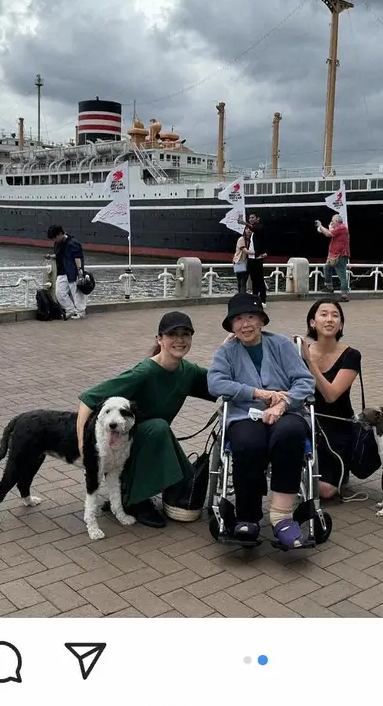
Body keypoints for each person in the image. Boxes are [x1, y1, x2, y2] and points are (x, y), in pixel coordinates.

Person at [76, 311, 216, 528]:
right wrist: (83, 444)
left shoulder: (188, 371)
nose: (180, 340)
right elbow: (88, 400)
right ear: (160, 339)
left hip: (151, 441)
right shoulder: (145, 371)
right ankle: (135, 501)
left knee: (178, 461)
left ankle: (133, 491)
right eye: (173, 334)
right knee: (159, 428)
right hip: (125, 443)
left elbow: (220, 385)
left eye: (185, 334)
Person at [207, 293, 315, 548]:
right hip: (245, 414)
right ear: (232, 325)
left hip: (287, 412)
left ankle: (282, 517)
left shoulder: (280, 344)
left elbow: (304, 381)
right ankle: (247, 516)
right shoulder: (227, 351)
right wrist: (257, 393)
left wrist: (282, 404)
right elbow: (215, 383)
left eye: (251, 317)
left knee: (290, 434)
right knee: (247, 442)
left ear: (262, 321)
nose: (245, 324)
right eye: (239, 319)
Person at [298, 299, 360, 499]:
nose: (329, 319)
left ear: (341, 324)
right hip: (307, 421)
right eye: (323, 314)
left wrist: (309, 361)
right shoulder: (298, 352)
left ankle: (340, 468)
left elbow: (331, 395)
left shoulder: (351, 355)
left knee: (325, 490)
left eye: (335, 315)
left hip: (337, 425)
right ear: (312, 322)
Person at [47, 225, 87, 319]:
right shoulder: (57, 244)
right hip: (62, 271)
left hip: (73, 271)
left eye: (55, 238)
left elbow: (77, 257)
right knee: (60, 292)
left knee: (76, 292)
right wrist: (53, 256)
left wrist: (80, 270)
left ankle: (81, 311)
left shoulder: (73, 243)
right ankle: (70, 309)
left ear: (60, 234)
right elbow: (59, 255)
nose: (54, 240)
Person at [316, 214, 351, 301]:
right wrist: (326, 228)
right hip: (335, 255)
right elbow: (330, 232)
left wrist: (320, 226)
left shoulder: (341, 228)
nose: (331, 222)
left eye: (332, 221)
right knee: (327, 267)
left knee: (341, 274)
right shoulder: (339, 228)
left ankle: (344, 295)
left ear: (336, 221)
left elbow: (328, 234)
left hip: (340, 255)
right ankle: (329, 286)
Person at [245, 213, 269, 306]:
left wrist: (245, 223)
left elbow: (257, 230)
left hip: (258, 258)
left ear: (257, 218)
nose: (250, 219)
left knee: (259, 279)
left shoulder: (259, 228)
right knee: (253, 279)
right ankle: (255, 298)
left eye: (252, 217)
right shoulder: (252, 232)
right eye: (249, 218)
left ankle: (263, 300)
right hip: (251, 258)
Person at [232, 227, 250, 294]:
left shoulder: (250, 240)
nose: (249, 230)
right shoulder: (241, 239)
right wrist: (256, 253)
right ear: (244, 230)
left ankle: (242, 295)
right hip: (239, 262)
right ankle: (241, 295)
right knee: (241, 281)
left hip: (246, 262)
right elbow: (245, 251)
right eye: (247, 229)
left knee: (244, 281)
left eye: (250, 229)